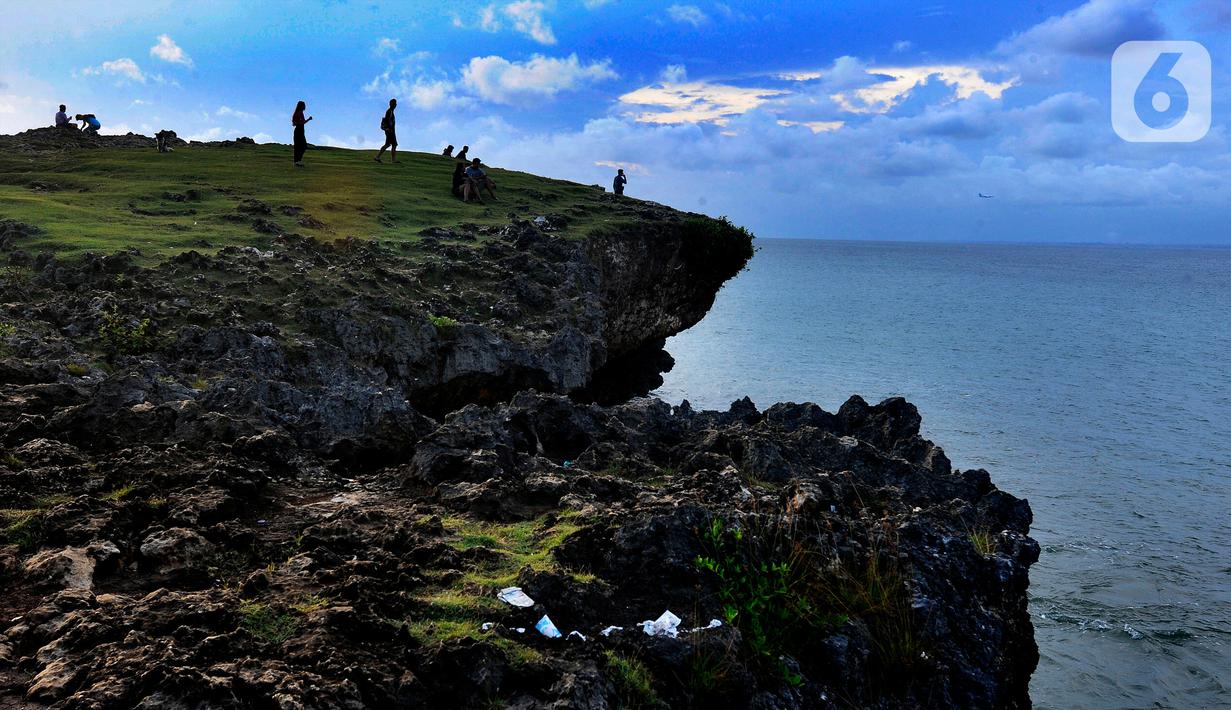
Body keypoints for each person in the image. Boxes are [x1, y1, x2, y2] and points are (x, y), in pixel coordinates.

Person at [375, 98, 397, 163]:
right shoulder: (389, 111)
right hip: (390, 131)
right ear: (392, 104)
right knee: (390, 144)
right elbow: (388, 121)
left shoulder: (390, 111)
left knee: (392, 144)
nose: (395, 105)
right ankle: (378, 157)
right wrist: (389, 129)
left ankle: (392, 159)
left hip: (390, 131)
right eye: (394, 104)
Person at [291, 100, 313, 167]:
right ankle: (297, 161)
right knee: (303, 146)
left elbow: (294, 124)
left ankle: (297, 161)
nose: (305, 107)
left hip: (298, 130)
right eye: (304, 105)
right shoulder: (299, 113)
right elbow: (300, 123)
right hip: (299, 130)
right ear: (301, 106)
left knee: (298, 146)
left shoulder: (297, 113)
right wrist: (308, 119)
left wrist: (307, 120)